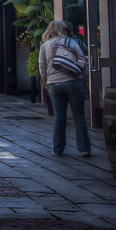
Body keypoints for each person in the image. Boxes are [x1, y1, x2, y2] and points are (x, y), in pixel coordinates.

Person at [38, 20, 91, 157]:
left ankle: (57, 148)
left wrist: (46, 84)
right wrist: (85, 81)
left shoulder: (46, 45)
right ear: (63, 30)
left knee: (59, 117)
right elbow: (82, 61)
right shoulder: (71, 42)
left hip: (55, 84)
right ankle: (84, 148)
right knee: (79, 116)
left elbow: (42, 67)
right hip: (74, 81)